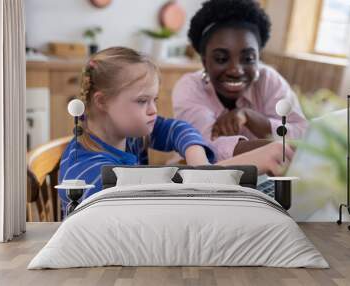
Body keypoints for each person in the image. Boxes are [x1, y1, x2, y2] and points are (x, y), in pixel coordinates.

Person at [59, 46, 294, 217]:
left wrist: (197, 157)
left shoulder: (127, 132)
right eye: (142, 101)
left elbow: (176, 128)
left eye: (155, 99)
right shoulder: (84, 170)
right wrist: (225, 169)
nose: (153, 110)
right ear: (102, 102)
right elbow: (151, 200)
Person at [172, 0, 307, 162]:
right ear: (204, 62)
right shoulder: (189, 88)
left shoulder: (269, 80)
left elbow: (302, 132)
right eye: (221, 58)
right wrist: (277, 149)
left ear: (258, 59)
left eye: (248, 58)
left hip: (265, 177)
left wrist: (252, 118)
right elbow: (205, 147)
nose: (236, 70)